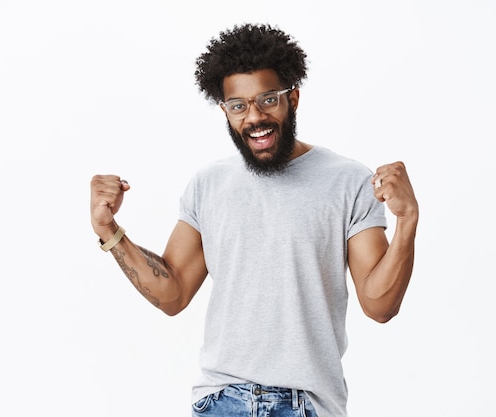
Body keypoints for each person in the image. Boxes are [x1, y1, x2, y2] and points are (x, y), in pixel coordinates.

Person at [90, 23, 418, 417]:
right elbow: (173, 294)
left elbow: (380, 306)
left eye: (268, 99)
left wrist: (408, 221)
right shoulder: (208, 184)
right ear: (225, 109)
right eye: (238, 105)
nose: (254, 117)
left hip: (306, 405)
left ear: (293, 99)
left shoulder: (348, 181)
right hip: (221, 401)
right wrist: (110, 231)